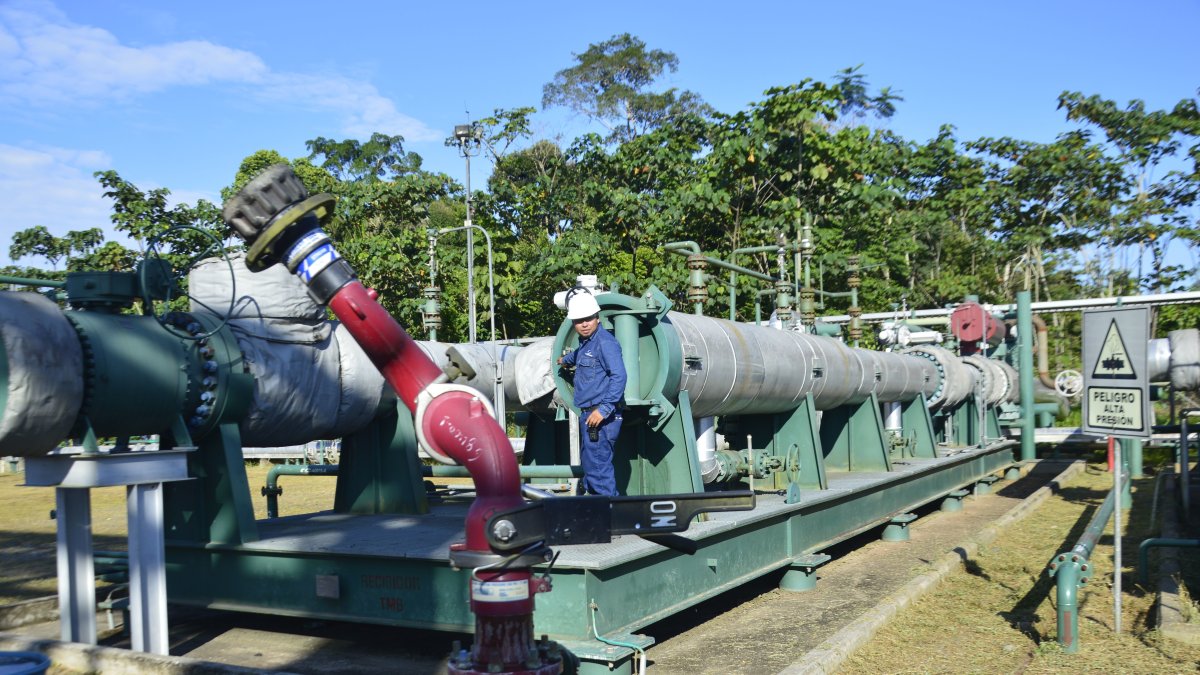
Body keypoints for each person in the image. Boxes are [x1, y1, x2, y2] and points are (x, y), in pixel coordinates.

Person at [557, 291, 626, 496]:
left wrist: (604, 410)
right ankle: (598, 516)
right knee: (591, 468)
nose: (584, 324)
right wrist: (566, 359)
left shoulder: (605, 343)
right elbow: (582, 354)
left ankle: (611, 518)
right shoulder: (587, 343)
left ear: (597, 317)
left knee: (598, 470)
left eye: (588, 319)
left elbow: (619, 376)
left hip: (600, 416)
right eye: (579, 321)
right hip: (590, 415)